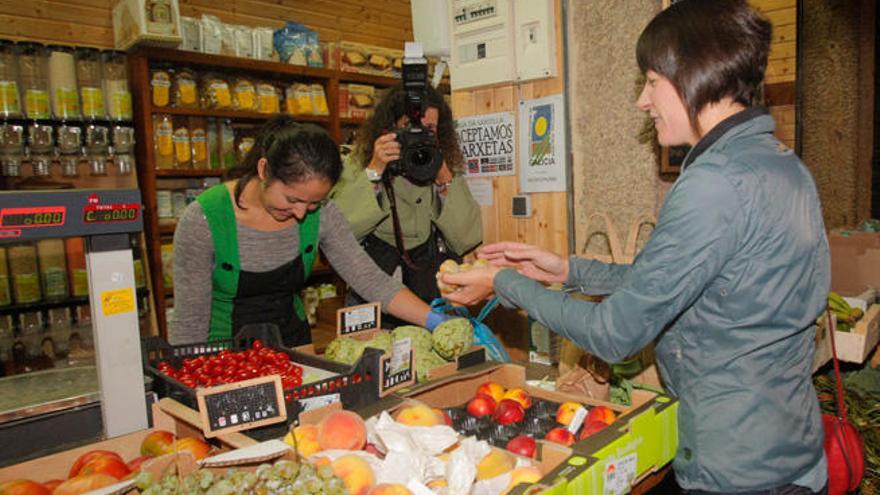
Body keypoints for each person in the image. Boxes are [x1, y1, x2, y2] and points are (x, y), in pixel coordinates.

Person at [441, 1, 830, 493]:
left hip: (737, 467)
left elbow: (614, 334)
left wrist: (504, 282)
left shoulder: (715, 182)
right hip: (788, 447)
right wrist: (566, 270)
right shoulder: (781, 164)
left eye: (651, 81)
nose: (642, 101)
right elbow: (678, 284)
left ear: (694, 74)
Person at [172, 116, 448, 347]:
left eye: (313, 202)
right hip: (224, 359)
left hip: (295, 348)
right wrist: (189, 384)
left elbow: (370, 279)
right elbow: (190, 322)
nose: (302, 213)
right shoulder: (204, 220)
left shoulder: (324, 213)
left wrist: (436, 321)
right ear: (264, 170)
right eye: (292, 200)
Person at [330, 83, 482, 319]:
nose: (420, 136)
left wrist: (443, 177)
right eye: (409, 128)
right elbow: (339, 235)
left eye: (429, 129)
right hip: (374, 290)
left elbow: (467, 239)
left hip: (430, 292)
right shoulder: (358, 164)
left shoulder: (443, 166)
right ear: (388, 130)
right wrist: (374, 171)